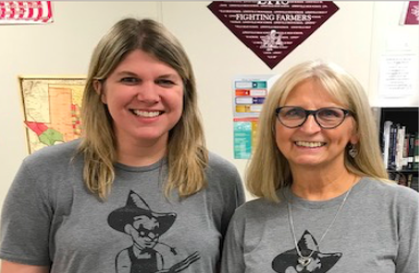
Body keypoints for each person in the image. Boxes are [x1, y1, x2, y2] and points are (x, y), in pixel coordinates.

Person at [0, 18, 245, 273]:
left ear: (185, 91)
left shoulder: (220, 178)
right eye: (129, 80)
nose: (149, 96)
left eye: (165, 81)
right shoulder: (43, 174)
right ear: (101, 90)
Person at [221, 60, 419, 273]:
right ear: (273, 127)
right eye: (293, 112)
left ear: (356, 131)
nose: (309, 128)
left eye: (329, 114)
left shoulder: (402, 209)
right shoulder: (247, 220)